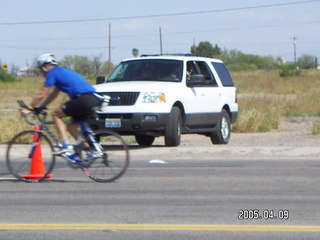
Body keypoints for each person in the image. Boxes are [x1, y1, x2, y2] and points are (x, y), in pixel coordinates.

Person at [21, 53, 101, 155]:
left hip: (82, 99)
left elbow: (41, 94)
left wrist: (30, 108)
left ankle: (66, 145)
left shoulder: (52, 73)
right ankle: (90, 152)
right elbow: (53, 95)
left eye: (40, 69)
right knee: (72, 128)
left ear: (45, 66)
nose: (41, 72)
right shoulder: (61, 72)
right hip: (92, 99)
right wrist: (41, 107)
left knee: (55, 114)